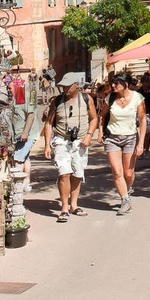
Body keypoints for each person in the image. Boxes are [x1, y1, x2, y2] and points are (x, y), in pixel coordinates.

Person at [49, 72, 100, 222]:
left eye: (67, 86)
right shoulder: (57, 101)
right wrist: (47, 145)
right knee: (64, 173)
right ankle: (64, 208)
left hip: (80, 141)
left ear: (76, 85)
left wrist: (90, 134)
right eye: (63, 86)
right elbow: (48, 123)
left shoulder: (86, 99)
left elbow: (94, 118)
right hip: (61, 141)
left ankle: (74, 205)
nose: (64, 89)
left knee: (77, 173)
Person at [103, 72, 147, 214]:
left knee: (128, 173)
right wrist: (99, 133)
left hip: (130, 138)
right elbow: (101, 115)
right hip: (112, 138)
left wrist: (141, 143)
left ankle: (127, 190)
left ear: (125, 84)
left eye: (117, 83)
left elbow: (142, 121)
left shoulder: (137, 98)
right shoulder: (109, 98)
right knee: (117, 171)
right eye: (113, 83)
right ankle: (125, 200)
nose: (113, 86)